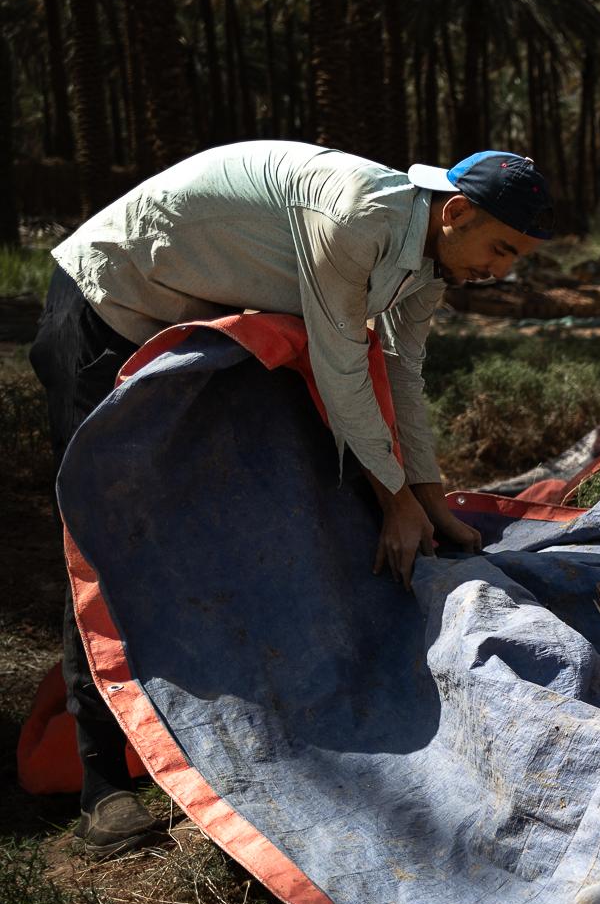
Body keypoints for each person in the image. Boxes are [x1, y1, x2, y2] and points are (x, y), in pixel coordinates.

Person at [30, 141, 554, 856]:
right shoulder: (357, 217)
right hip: (105, 306)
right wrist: (393, 498)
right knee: (106, 536)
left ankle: (188, 719)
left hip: (176, 324)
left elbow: (400, 371)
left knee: (205, 518)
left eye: (516, 257)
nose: (502, 270)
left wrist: (428, 499)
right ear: (456, 211)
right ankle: (102, 783)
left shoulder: (430, 256)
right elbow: (342, 368)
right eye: (501, 247)